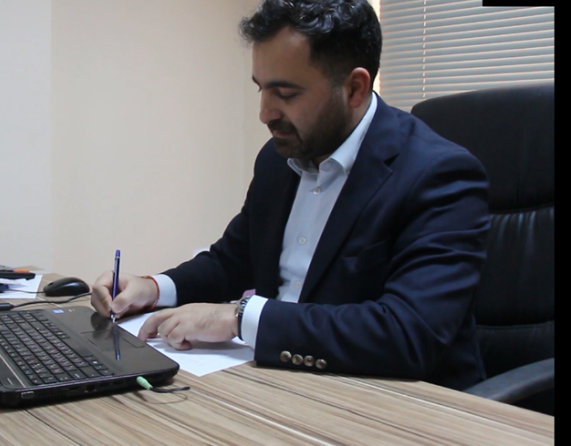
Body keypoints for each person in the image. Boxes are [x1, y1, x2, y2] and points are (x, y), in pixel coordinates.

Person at [90, 0, 491, 391]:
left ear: (354, 88)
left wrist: (239, 319)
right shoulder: (280, 157)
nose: (265, 113)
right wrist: (154, 288)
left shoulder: (438, 174)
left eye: (286, 93)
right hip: (279, 381)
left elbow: (408, 334)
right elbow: (233, 260)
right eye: (261, 89)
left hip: (396, 402)